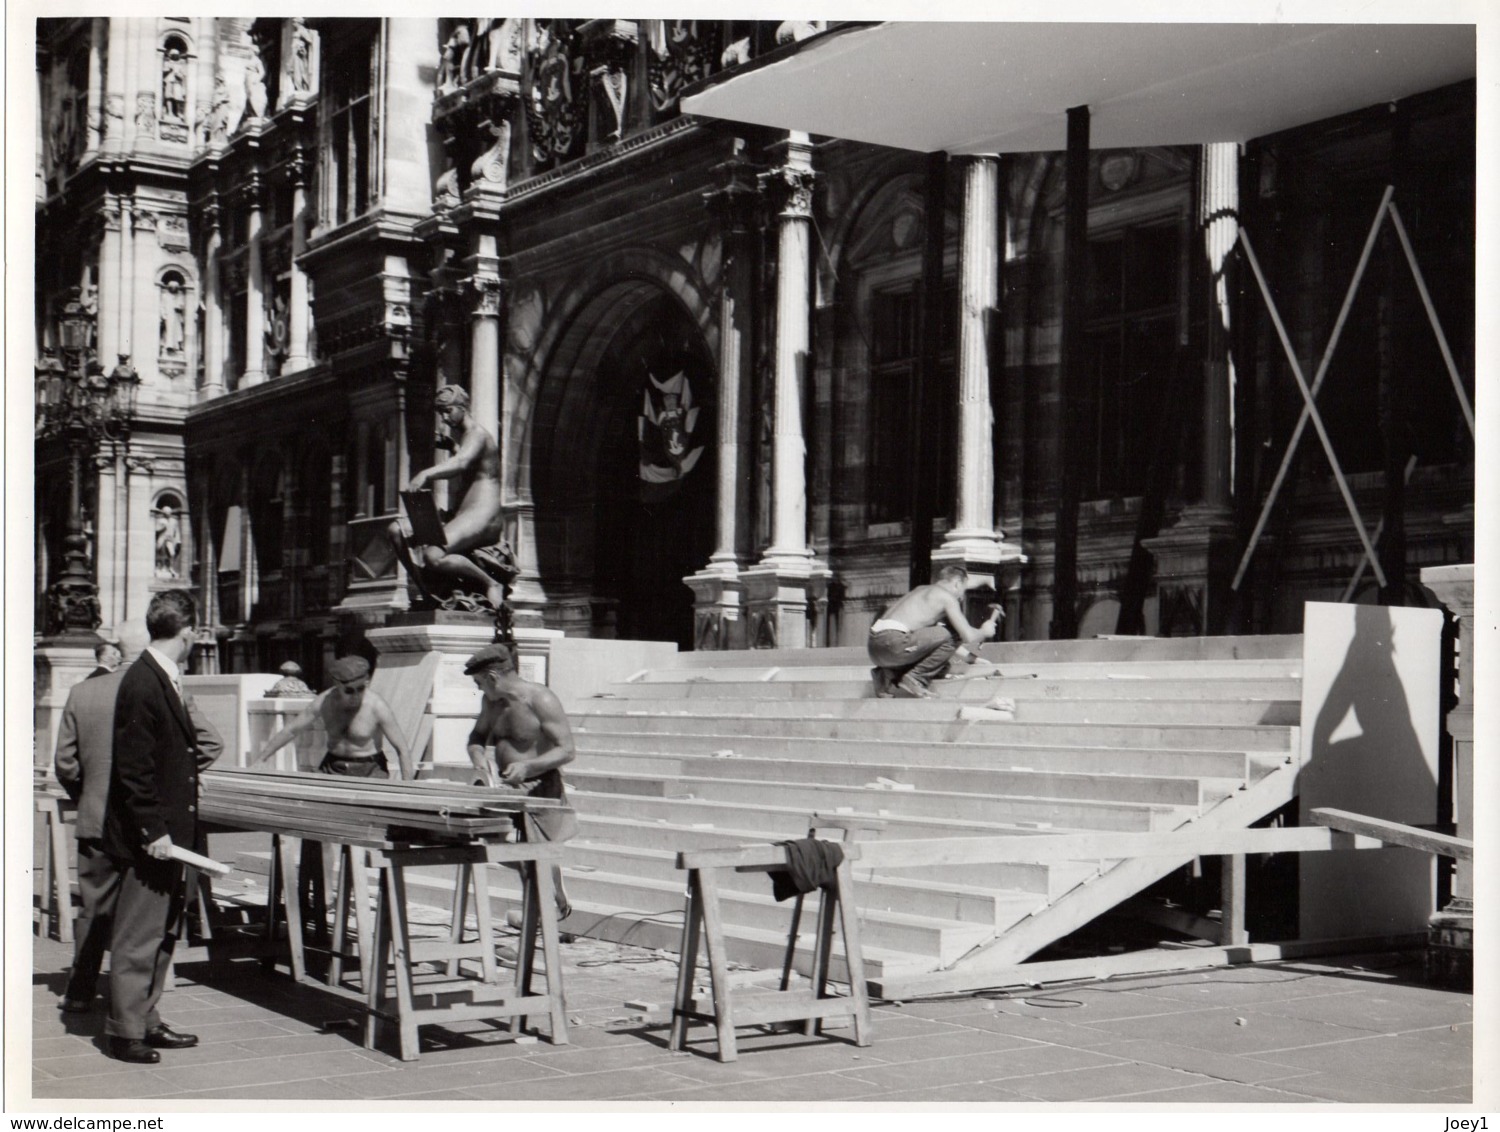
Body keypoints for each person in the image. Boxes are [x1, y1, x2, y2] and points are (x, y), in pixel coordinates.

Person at [54, 624, 222, 1015]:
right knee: (146, 922)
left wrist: (89, 796)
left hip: (97, 819)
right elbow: (210, 742)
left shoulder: (83, 692)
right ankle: (138, 1011)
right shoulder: (163, 687)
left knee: (95, 911)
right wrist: (176, 776)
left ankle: (80, 990)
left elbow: (65, 762)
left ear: (116, 650)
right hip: (149, 824)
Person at [100, 591, 216, 1063]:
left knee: (163, 932)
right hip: (154, 839)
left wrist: (185, 788)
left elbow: (164, 757)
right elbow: (133, 767)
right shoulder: (145, 682)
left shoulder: (156, 676)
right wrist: (153, 831)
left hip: (169, 833)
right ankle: (124, 1031)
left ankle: (146, 1018)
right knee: (138, 935)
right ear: (187, 633)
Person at [463, 643, 577, 918]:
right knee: (487, 839)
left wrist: (529, 766)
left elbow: (567, 750)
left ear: (492, 678)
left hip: (539, 788)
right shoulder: (490, 702)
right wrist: (478, 759)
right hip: (504, 787)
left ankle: (543, 911)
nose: (479, 689)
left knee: (535, 856)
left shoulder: (541, 699)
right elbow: (477, 737)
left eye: (480, 683)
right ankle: (546, 894)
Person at [387, 385, 514, 607]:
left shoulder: (478, 434)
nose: (444, 419)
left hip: (483, 516)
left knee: (433, 555)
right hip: (464, 515)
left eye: (448, 411)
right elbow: (472, 463)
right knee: (396, 531)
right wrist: (452, 445)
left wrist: (425, 474)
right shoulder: (467, 438)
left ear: (462, 407)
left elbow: (462, 463)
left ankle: (491, 583)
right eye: (441, 413)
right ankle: (426, 589)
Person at [251, 655, 412, 779]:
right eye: (349, 691)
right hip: (333, 767)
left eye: (361, 688)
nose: (356, 695)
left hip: (370, 770)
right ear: (337, 684)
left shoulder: (377, 706)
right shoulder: (325, 701)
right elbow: (291, 730)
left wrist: (409, 791)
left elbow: (402, 749)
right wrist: (261, 760)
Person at [867, 565, 1003, 699]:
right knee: (954, 634)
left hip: (875, 649)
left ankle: (885, 675)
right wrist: (985, 631)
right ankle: (916, 677)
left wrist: (972, 659)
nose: (962, 596)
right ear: (957, 583)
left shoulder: (921, 591)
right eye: (963, 589)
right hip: (894, 643)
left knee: (942, 663)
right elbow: (967, 635)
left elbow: (936, 641)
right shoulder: (947, 598)